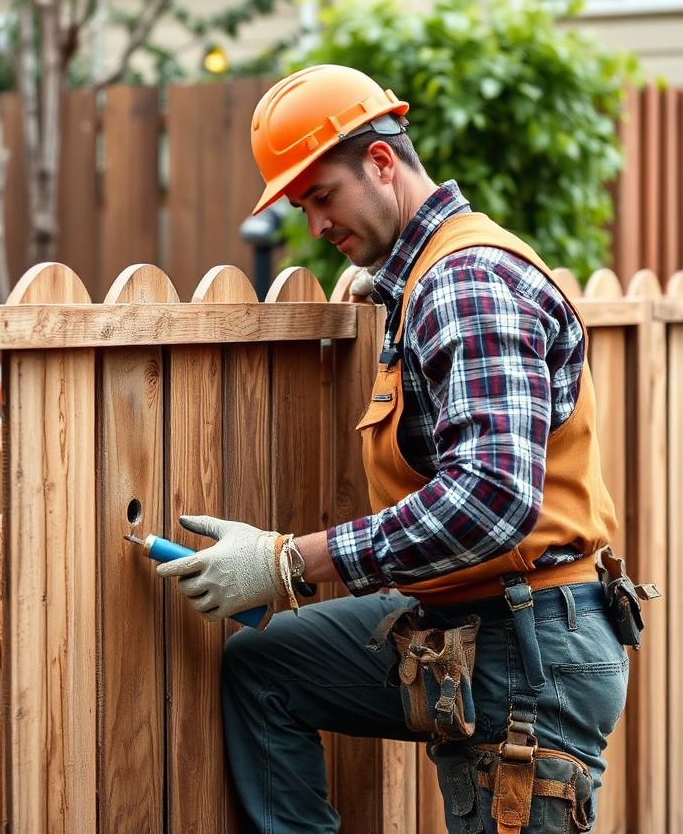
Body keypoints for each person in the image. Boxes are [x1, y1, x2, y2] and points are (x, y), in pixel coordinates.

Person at [156, 64, 650, 833]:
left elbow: (492, 501)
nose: (314, 224)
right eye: (301, 206)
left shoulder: (465, 283)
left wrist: (289, 563)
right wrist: (388, 282)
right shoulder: (427, 275)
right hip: (478, 623)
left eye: (322, 196)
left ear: (382, 163)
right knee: (266, 667)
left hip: (527, 653)